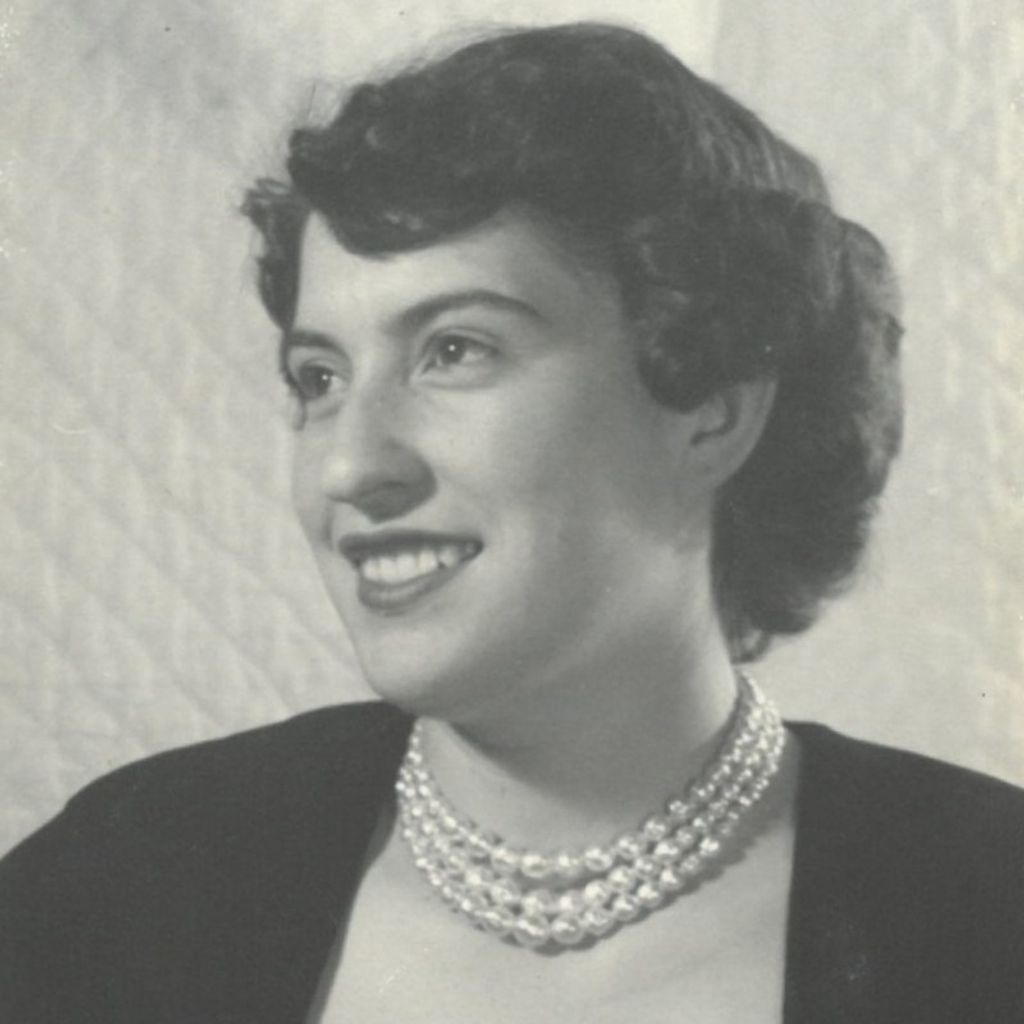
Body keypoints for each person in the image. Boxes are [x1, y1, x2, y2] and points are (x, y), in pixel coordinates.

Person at [1, 21, 1022, 1024]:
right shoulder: (125, 876)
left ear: (712, 405)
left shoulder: (986, 912)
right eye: (319, 378)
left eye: (455, 350)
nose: (351, 466)